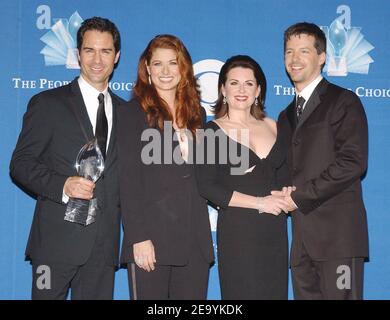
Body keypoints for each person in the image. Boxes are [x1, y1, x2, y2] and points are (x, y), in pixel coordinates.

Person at [10, 17, 124, 300]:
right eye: (89, 50)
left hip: (103, 247)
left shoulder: (128, 112)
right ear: (77, 54)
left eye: (106, 51)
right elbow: (20, 164)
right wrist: (63, 186)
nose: (97, 59)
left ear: (117, 56)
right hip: (54, 245)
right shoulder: (48, 104)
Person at [273, 22, 369, 300]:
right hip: (301, 242)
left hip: (338, 238)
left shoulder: (343, 101)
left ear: (322, 57)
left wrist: (300, 197)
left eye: (304, 51)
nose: (294, 59)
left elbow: (353, 162)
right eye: (289, 52)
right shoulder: (285, 115)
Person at [117, 34, 214, 300]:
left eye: (173, 63)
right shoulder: (132, 113)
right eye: (158, 64)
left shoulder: (198, 115)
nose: (166, 71)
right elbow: (128, 180)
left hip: (194, 242)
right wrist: (138, 237)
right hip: (152, 240)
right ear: (147, 68)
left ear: (184, 68)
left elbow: (202, 175)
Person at [196, 55, 294, 299]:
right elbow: (207, 186)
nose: (242, 90)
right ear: (222, 89)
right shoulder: (211, 131)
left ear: (259, 90)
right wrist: (260, 203)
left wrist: (288, 194)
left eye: (249, 83)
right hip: (239, 233)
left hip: (274, 231)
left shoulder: (275, 126)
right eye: (234, 83)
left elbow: (287, 175)